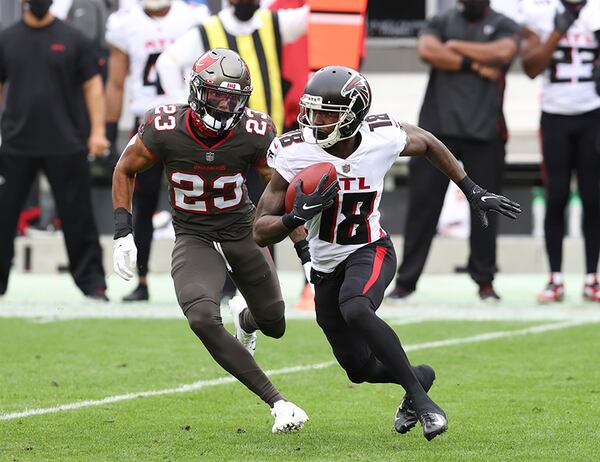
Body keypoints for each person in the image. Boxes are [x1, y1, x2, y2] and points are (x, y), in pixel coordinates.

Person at [253, 66, 521, 440]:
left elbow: (428, 141)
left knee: (357, 306)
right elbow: (259, 229)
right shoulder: (295, 151)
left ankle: (424, 404)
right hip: (326, 266)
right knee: (358, 369)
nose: (316, 120)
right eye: (312, 111)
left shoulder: (381, 137)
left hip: (370, 248)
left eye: (327, 112)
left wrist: (471, 188)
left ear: (353, 113)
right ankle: (419, 379)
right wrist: (294, 217)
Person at [111, 48, 308, 432]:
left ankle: (246, 319)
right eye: (216, 94)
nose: (223, 104)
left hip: (242, 230)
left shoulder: (256, 130)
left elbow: (283, 192)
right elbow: (125, 168)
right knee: (202, 316)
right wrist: (123, 233)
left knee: (275, 323)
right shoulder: (165, 125)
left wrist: (305, 251)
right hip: (193, 234)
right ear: (197, 91)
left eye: (232, 98)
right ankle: (278, 402)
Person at [387, 0, 520, 302]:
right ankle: (406, 281)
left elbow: (503, 53)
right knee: (423, 207)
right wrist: (473, 63)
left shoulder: (504, 24)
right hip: (438, 130)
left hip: (485, 129)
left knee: (487, 206)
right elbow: (428, 50)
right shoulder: (441, 20)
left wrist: (455, 46)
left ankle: (485, 280)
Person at [0, 0, 109, 300]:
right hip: (15, 145)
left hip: (66, 143)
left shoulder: (74, 39)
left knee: (79, 217)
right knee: (3, 216)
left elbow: (93, 87)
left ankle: (93, 284)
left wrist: (98, 132)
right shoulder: (7, 39)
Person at [105, 0, 209, 301]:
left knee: (204, 197)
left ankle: (219, 277)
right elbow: (115, 82)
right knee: (143, 200)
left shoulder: (193, 17)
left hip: (190, 120)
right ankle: (142, 278)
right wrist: (110, 133)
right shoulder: (125, 22)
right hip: (148, 120)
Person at [520, 0, 600, 303]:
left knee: (593, 197)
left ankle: (592, 278)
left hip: (592, 114)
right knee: (557, 196)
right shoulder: (541, 12)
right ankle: (556, 278)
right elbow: (530, 67)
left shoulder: (596, 11)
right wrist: (557, 31)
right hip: (555, 115)